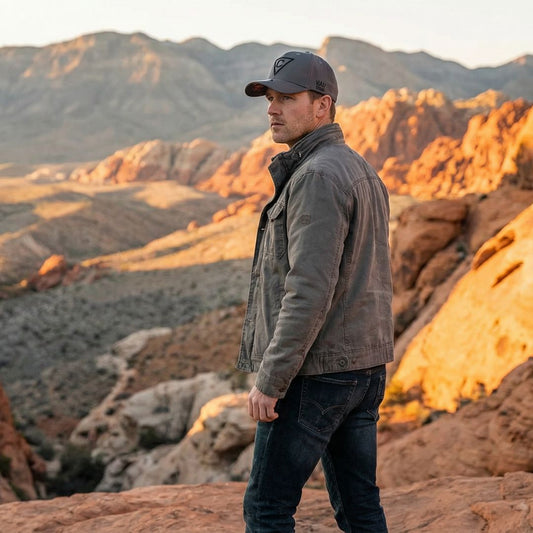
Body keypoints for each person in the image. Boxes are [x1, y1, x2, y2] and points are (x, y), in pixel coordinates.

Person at [236, 50, 393, 532]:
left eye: (287, 98)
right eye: (270, 98)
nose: (272, 109)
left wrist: (271, 379)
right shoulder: (358, 168)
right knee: (359, 507)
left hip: (316, 374)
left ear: (323, 105)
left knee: (267, 509)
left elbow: (308, 291)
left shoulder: (317, 176)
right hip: (362, 368)